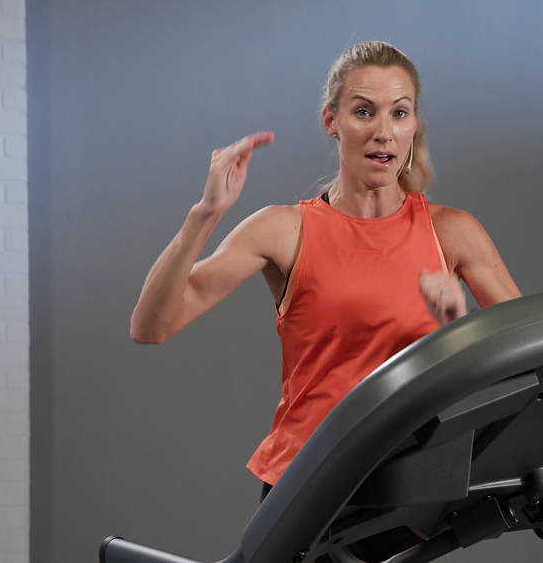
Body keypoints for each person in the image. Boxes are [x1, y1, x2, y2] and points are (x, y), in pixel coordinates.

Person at [129, 41, 521, 493]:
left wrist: (460, 330)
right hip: (308, 484)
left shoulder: (452, 232)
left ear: (414, 124)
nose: (383, 131)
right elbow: (150, 326)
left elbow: (527, 363)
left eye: (399, 113)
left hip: (410, 482)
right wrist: (205, 214)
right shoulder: (284, 230)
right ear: (332, 122)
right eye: (363, 112)